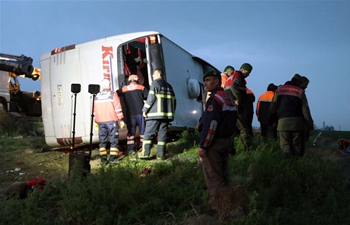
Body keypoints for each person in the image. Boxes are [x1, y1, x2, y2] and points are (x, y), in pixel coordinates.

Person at [198, 70, 237, 212]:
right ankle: (231, 204)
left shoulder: (215, 99)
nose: (205, 83)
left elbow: (211, 125)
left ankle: (219, 211)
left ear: (216, 81)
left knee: (214, 178)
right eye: (205, 80)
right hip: (226, 142)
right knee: (224, 176)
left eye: (208, 80)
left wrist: (204, 146)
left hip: (214, 144)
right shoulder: (227, 97)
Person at [269, 74, 314, 158]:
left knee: (285, 145)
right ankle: (296, 163)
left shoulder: (279, 90)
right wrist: (310, 124)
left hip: (283, 122)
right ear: (299, 83)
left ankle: (288, 164)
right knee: (297, 145)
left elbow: (272, 107)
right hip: (297, 123)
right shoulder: (300, 92)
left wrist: (273, 119)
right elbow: (305, 111)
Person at [139, 68, 176, 160]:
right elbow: (174, 100)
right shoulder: (169, 86)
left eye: (153, 75)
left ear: (157, 75)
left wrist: (145, 110)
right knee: (162, 134)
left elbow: (150, 98)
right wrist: (171, 113)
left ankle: (145, 154)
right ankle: (161, 155)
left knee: (148, 134)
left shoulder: (155, 84)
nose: (152, 76)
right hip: (166, 115)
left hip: (154, 114)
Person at [94, 79, 124, 165]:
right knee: (114, 140)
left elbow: (95, 110)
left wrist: (96, 121)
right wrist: (120, 119)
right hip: (111, 121)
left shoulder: (97, 95)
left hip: (101, 122)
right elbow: (117, 107)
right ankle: (112, 159)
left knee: (102, 141)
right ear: (109, 85)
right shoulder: (113, 94)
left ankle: (103, 160)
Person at [225, 63, 253, 151]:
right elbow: (234, 87)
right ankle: (247, 149)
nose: (248, 75)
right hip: (238, 106)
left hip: (229, 106)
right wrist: (238, 99)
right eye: (247, 72)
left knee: (232, 128)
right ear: (242, 69)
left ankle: (230, 149)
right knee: (244, 128)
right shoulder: (238, 76)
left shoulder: (230, 77)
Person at [120, 74, 149, 155]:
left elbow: (117, 93)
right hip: (140, 113)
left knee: (131, 133)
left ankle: (131, 149)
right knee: (142, 131)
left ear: (129, 81)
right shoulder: (141, 87)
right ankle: (143, 148)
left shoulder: (124, 89)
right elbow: (147, 96)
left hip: (130, 114)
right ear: (137, 80)